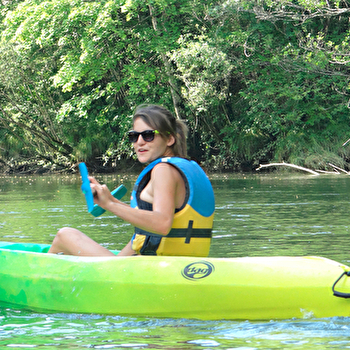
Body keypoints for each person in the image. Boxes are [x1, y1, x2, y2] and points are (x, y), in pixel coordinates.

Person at [48, 104, 215, 257]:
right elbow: (151, 226)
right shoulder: (189, 168)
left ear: (170, 139)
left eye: (149, 135)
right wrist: (110, 200)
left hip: (159, 270)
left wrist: (110, 205)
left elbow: (162, 224)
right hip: (183, 267)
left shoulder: (163, 170)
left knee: (65, 235)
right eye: (134, 136)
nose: (139, 142)